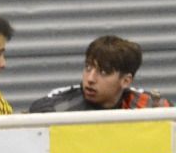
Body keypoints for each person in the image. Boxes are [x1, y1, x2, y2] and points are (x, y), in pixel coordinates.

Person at [29, 35, 170, 112]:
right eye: (88, 68)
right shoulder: (56, 108)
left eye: (103, 72)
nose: (90, 79)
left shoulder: (153, 107)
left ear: (126, 81)